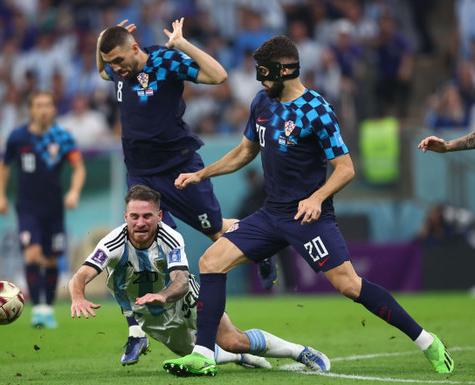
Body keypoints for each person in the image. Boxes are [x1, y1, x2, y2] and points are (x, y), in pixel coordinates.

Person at [164, 35, 454, 376]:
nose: (261, 80)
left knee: (350, 286)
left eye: (265, 73)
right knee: (210, 261)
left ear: (285, 70)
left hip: (308, 218)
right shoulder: (262, 103)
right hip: (271, 214)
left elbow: (346, 169)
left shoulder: (317, 110)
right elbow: (245, 152)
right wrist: (201, 174)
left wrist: (317, 198)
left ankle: (426, 341)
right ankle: (203, 355)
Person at [96, 18, 277, 363]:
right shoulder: (118, 69)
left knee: (215, 231)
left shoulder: (164, 62)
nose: (114, 69)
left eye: (119, 60)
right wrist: (101, 42)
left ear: (135, 48)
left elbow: (218, 76)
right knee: (143, 247)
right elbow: (104, 70)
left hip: (179, 167)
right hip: (140, 174)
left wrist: (182, 43)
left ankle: (261, 248)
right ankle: (136, 333)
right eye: (111, 62)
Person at [68, 185, 330, 372]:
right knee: (192, 354)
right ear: (126, 217)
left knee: (232, 339)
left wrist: (164, 294)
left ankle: (300, 351)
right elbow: (81, 275)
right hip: (149, 315)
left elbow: (181, 281)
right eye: (134, 216)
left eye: (147, 216)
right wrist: (78, 296)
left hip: (185, 300)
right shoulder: (113, 242)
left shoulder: (170, 238)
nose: (140, 222)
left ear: (159, 217)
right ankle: (240, 359)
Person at [0, 91, 86, 329]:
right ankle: (38, 308)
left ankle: (48, 309)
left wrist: (74, 192)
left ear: (54, 109)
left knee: (52, 260)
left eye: (48, 104)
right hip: (27, 207)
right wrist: (0, 196)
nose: (44, 109)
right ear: (30, 109)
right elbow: (3, 166)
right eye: (38, 105)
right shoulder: (18, 137)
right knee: (33, 254)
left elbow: (78, 168)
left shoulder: (62, 137)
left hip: (54, 208)